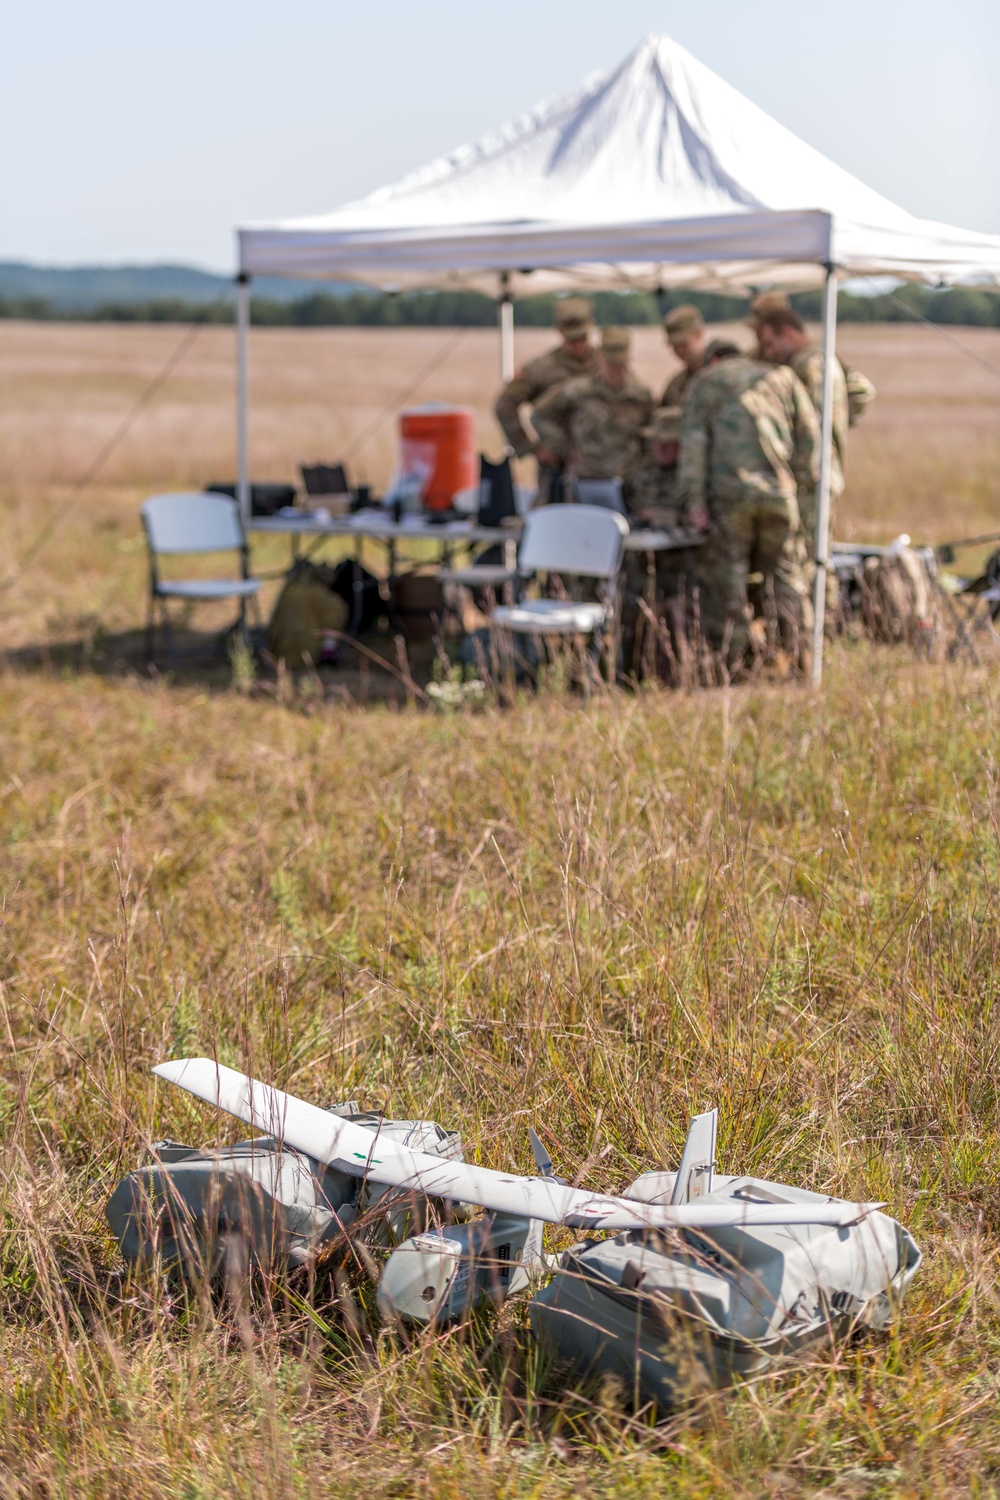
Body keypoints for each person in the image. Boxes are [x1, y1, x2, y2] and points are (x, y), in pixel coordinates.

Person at [676, 341, 819, 673]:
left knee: (730, 581)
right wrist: (798, 486)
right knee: (785, 577)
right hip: (779, 495)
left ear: (712, 359)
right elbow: (809, 439)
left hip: (731, 497)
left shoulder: (707, 382)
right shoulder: (781, 377)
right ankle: (800, 656)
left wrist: (694, 502)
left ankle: (736, 663)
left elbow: (694, 448)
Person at [494, 296, 598, 501]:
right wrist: (530, 448)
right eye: (572, 339)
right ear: (559, 332)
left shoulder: (606, 365)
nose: (578, 345)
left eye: (582, 338)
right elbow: (504, 406)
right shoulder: (542, 368)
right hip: (557, 471)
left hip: (600, 469)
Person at [531, 326, 654, 489]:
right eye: (611, 364)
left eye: (620, 364)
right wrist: (564, 448)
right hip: (584, 480)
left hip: (627, 484)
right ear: (599, 357)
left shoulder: (641, 396)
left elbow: (650, 436)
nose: (615, 370)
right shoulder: (578, 390)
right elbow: (539, 414)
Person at [748, 292, 876, 426]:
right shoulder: (764, 354)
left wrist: (836, 419)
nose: (769, 352)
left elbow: (862, 391)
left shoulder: (812, 359)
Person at [661, 305, 708, 406]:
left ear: (699, 334)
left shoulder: (723, 375)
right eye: (674, 345)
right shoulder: (675, 386)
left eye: (683, 344)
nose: (679, 350)